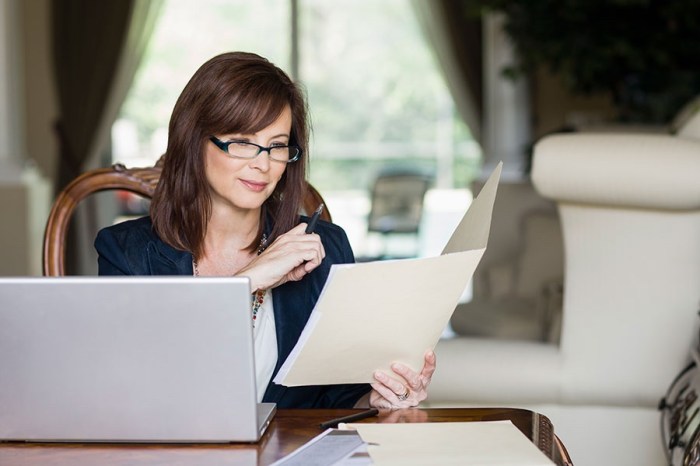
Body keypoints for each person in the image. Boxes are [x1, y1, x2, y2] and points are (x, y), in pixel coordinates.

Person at [95, 51, 436, 409]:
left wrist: (381, 398)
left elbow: (340, 397)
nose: (262, 164)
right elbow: (129, 389)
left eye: (276, 146)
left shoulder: (325, 248)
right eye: (242, 142)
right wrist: (248, 280)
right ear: (194, 141)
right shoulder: (126, 251)